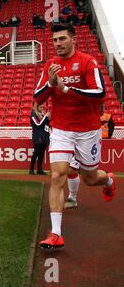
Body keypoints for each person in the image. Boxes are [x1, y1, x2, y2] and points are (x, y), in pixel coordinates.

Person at [33, 23, 116, 249]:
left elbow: (99, 94)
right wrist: (51, 84)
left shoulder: (88, 62)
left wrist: (67, 89)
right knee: (58, 174)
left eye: (62, 39)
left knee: (90, 178)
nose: (57, 43)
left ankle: (108, 180)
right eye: (55, 40)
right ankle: (56, 233)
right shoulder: (51, 65)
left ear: (73, 39)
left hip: (88, 130)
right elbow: (37, 97)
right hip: (61, 129)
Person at [29, 104, 50, 175]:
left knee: (41, 154)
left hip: (45, 136)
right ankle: (31, 169)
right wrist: (45, 117)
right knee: (36, 153)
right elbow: (38, 124)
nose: (42, 108)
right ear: (37, 107)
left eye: (43, 107)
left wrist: (48, 119)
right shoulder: (33, 115)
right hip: (38, 136)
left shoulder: (43, 115)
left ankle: (39, 169)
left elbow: (47, 125)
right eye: (41, 107)